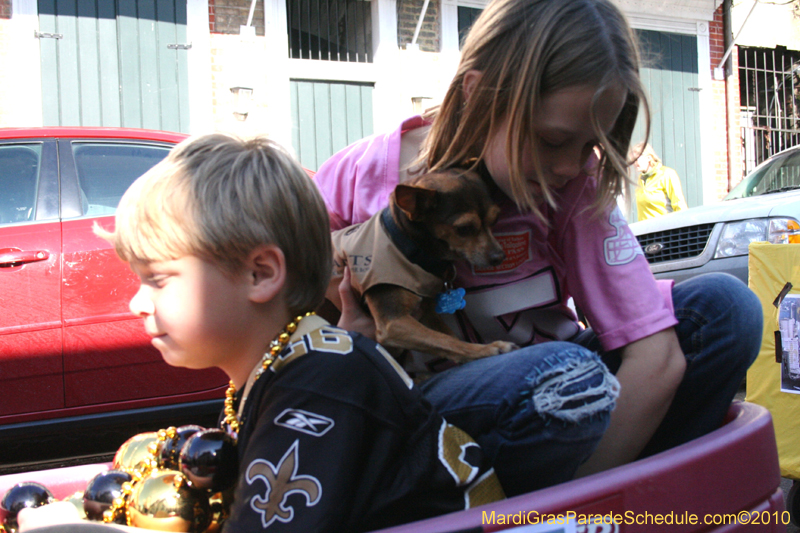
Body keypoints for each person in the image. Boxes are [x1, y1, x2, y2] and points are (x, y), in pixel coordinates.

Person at [314, 0, 762, 496]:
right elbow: (272, 322)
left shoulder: (574, 186)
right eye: (552, 141)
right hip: (429, 414)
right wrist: (344, 344)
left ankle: (631, 503)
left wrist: (584, 503)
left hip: (572, 403)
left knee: (726, 311)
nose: (571, 166)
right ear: (479, 96)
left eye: (590, 146)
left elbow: (657, 358)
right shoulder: (360, 177)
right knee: (564, 378)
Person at [17, 134, 504, 532]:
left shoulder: (317, 388)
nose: (136, 303)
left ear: (260, 274)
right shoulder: (287, 368)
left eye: (157, 279)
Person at [632, 142, 688, 221]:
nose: (634, 163)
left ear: (648, 158)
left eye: (637, 159)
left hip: (664, 226)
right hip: (645, 227)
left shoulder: (667, 174)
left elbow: (679, 204)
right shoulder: (640, 179)